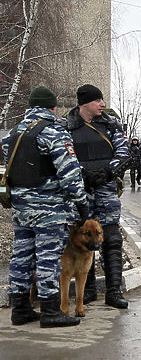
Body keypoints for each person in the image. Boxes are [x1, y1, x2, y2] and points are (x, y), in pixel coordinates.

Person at [2, 86, 87, 328]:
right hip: (49, 210)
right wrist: (81, 203)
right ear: (52, 107)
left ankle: (20, 309)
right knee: (48, 258)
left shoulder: (13, 134)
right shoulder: (54, 133)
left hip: (21, 208)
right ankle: (51, 311)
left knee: (21, 256)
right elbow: (69, 174)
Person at [64, 83, 130, 309]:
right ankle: (88, 291)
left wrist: (108, 171)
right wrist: (82, 173)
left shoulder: (110, 125)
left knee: (111, 239)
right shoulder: (67, 126)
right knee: (82, 241)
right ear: (84, 103)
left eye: (102, 100)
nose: (103, 104)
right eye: (97, 101)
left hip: (106, 189)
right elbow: (62, 156)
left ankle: (114, 292)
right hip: (80, 192)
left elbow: (123, 152)